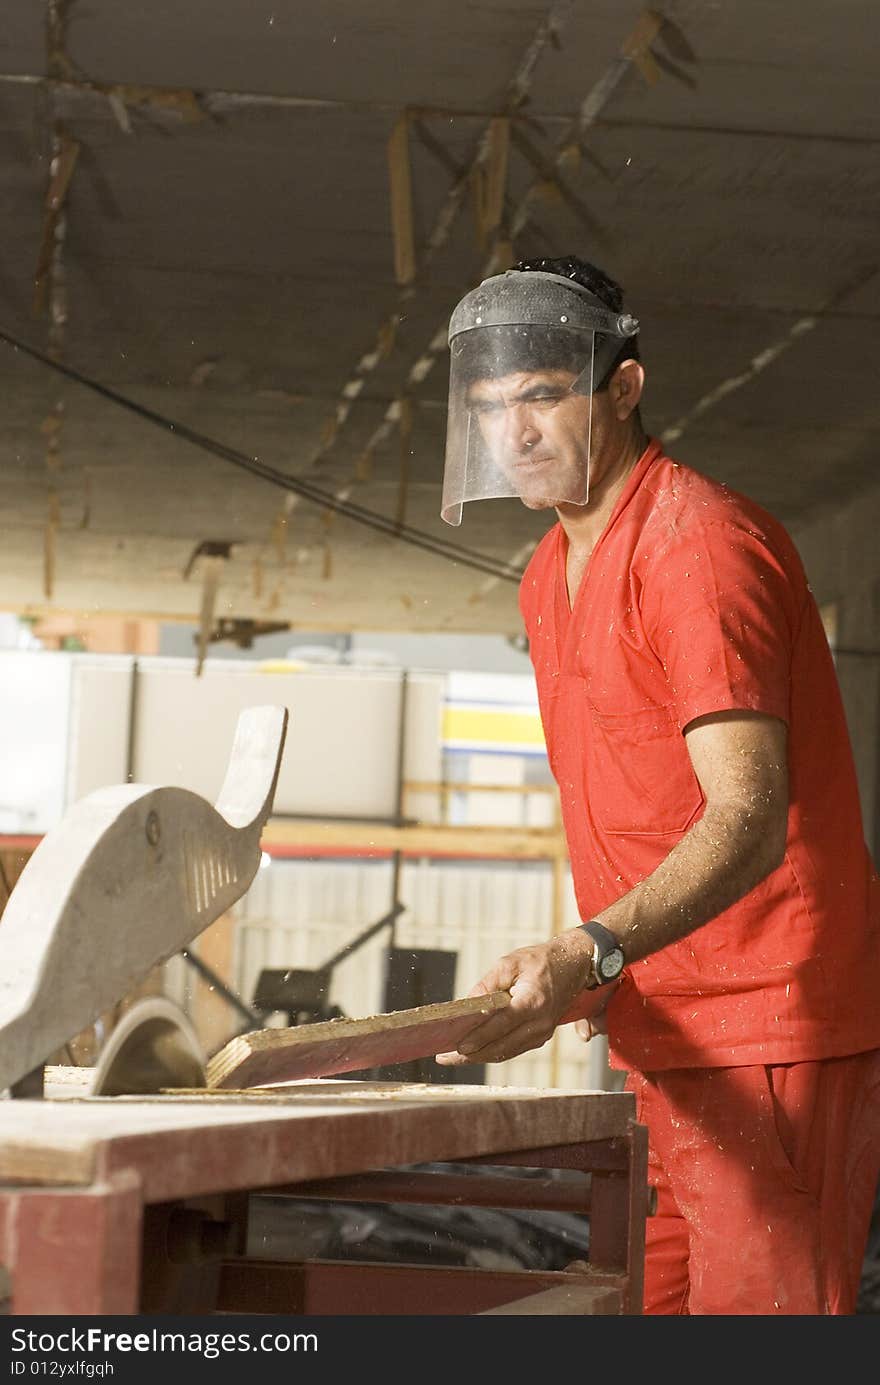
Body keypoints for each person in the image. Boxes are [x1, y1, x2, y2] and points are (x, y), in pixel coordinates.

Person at [434, 254, 880, 1315]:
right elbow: (622, 805)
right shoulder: (549, 571)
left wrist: (584, 945)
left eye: (544, 395)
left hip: (766, 1023)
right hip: (663, 1020)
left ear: (622, 390)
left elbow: (746, 816)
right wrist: (589, 972)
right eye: (492, 407)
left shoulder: (698, 548)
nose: (516, 433)